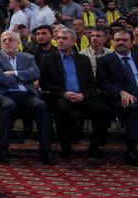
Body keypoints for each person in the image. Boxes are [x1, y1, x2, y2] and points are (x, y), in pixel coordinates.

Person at [40, 27, 111, 159]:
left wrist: (83, 94)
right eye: (59, 38)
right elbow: (44, 84)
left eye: (64, 38)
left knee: (103, 110)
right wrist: (64, 93)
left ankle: (94, 147)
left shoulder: (83, 59)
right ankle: (65, 147)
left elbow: (91, 83)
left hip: (82, 96)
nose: (60, 41)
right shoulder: (48, 59)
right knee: (62, 109)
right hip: (61, 96)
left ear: (73, 42)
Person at [0, 31, 54, 164]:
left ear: (18, 43)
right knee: (8, 106)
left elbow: (35, 73)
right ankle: (3, 149)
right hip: (5, 93)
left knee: (41, 106)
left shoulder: (28, 57)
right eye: (4, 40)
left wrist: (14, 73)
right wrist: (23, 78)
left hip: (26, 94)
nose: (7, 42)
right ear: (1, 43)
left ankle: (45, 150)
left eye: (11, 39)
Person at [95, 29, 138, 166]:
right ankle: (132, 150)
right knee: (134, 107)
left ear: (132, 42)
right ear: (112, 42)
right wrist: (121, 92)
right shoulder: (104, 60)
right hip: (119, 99)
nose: (120, 43)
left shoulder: (137, 57)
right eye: (117, 40)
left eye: (124, 40)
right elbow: (103, 83)